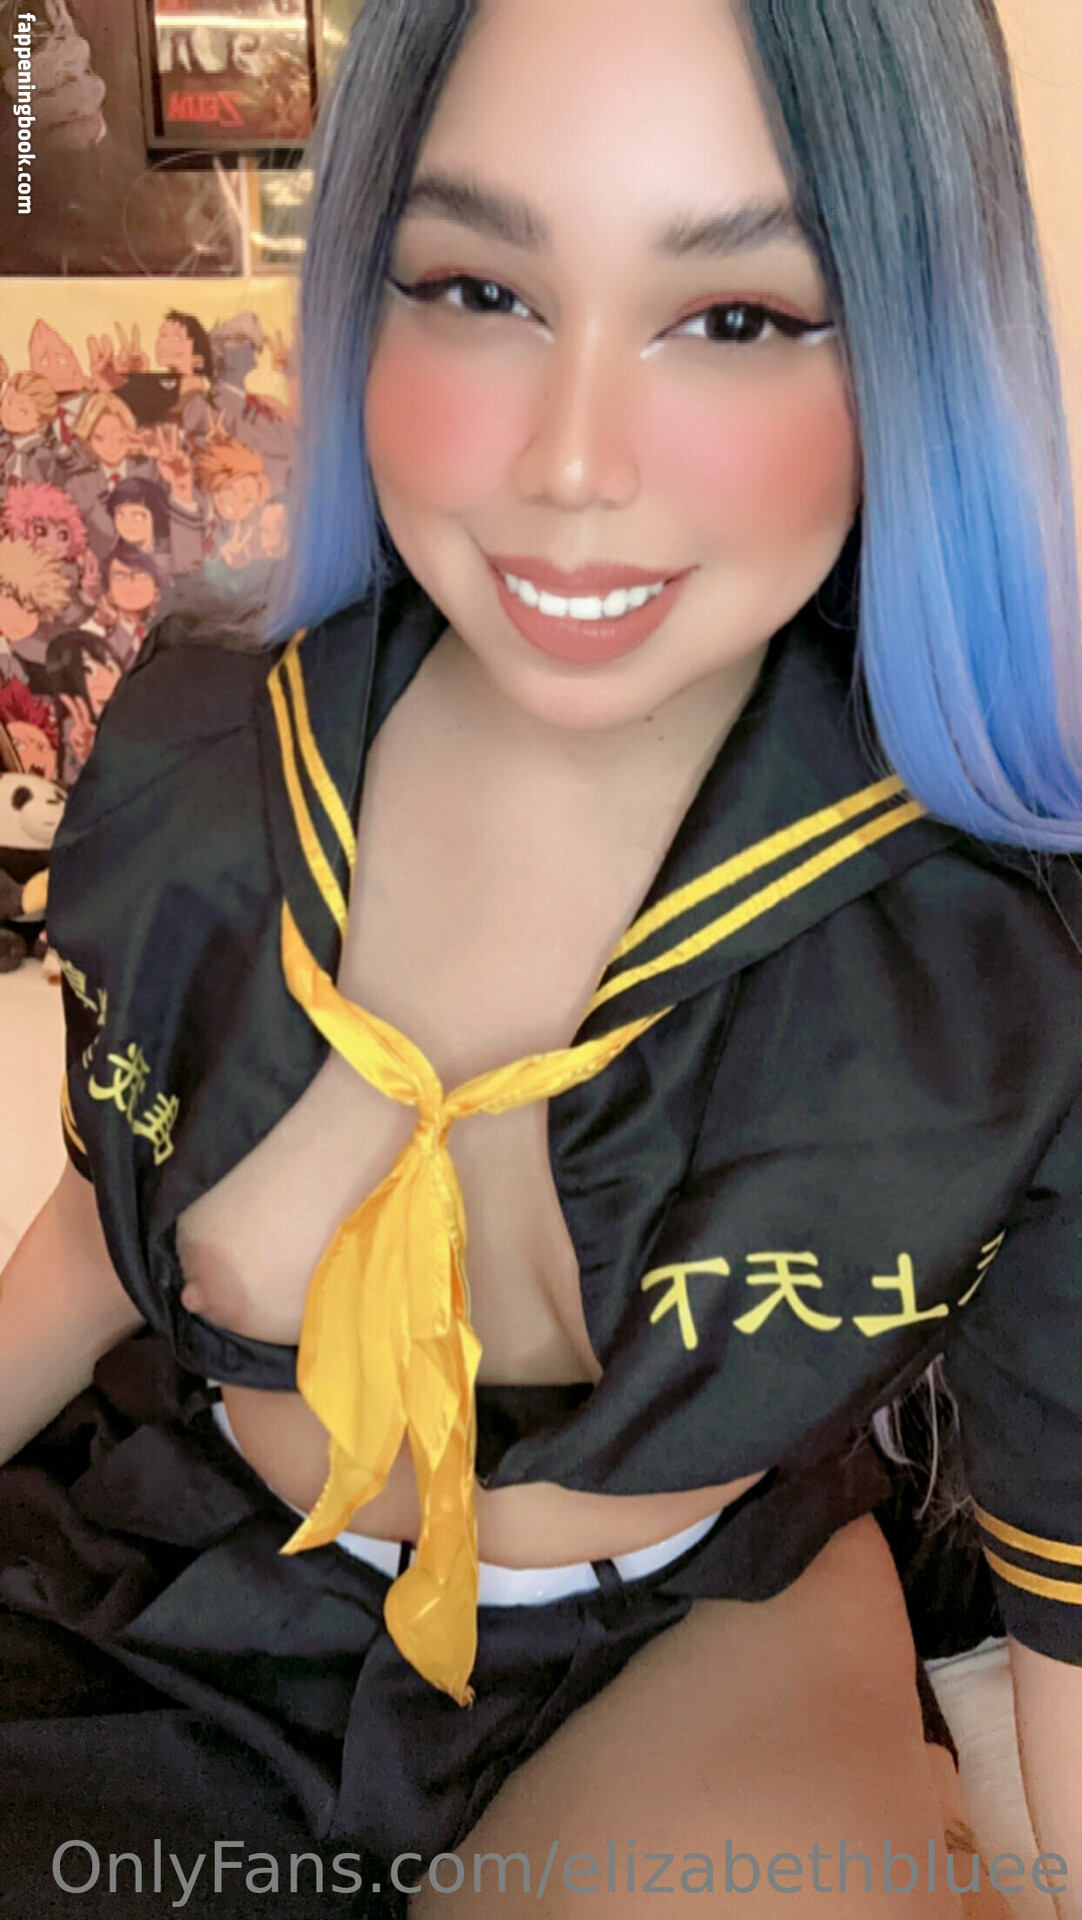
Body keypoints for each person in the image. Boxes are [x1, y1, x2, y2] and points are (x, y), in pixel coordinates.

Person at [0, 3, 1079, 1917]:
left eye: (733, 317)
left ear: (915, 349)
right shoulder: (199, 756)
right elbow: (102, 1219)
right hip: (176, 1553)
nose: (572, 462)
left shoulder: (1000, 970)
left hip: (688, 1627)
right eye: (479, 290)